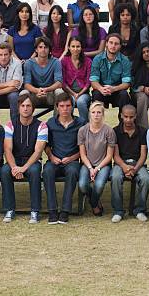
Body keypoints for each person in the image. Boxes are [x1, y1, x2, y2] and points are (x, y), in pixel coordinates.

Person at [2, 95, 48, 223]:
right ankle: (9, 209)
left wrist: (23, 168)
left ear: (33, 108)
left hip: (32, 161)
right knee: (5, 171)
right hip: (15, 160)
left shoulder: (42, 126)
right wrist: (14, 168)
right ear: (18, 108)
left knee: (34, 171)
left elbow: (38, 151)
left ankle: (35, 211)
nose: (25, 108)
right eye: (23, 106)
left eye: (28, 106)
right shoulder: (10, 124)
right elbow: (7, 149)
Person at [43, 93, 86, 224]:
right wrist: (51, 157)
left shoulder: (81, 123)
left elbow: (84, 148)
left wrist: (72, 157)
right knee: (47, 171)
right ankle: (52, 210)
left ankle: (65, 211)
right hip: (54, 160)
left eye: (68, 106)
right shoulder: (50, 123)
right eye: (62, 106)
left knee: (73, 172)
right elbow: (45, 145)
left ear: (73, 107)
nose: (65, 109)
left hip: (72, 161)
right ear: (57, 107)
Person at [110, 105, 149, 222]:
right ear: (121, 116)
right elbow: (115, 156)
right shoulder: (115, 131)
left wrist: (134, 169)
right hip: (120, 163)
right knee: (115, 177)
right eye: (126, 116)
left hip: (138, 163)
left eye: (131, 117)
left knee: (145, 179)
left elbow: (143, 155)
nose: (128, 120)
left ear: (135, 116)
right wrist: (125, 167)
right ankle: (118, 211)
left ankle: (139, 210)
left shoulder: (142, 131)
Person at [78, 101, 115, 216]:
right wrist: (90, 168)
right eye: (93, 112)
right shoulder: (82, 130)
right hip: (87, 164)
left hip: (103, 164)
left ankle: (93, 203)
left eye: (99, 112)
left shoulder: (109, 131)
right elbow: (82, 154)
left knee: (99, 185)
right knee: (83, 185)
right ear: (89, 114)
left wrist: (97, 169)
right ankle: (95, 202)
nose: (96, 115)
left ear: (103, 114)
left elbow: (109, 156)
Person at [89, 33, 132, 114]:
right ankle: (98, 123)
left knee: (124, 94)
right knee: (96, 94)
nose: (113, 46)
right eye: (111, 43)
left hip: (117, 90)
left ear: (120, 46)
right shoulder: (97, 59)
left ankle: (122, 123)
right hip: (102, 90)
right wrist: (101, 89)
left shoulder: (125, 60)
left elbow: (126, 83)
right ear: (106, 44)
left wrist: (113, 89)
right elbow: (93, 81)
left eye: (116, 44)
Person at [21, 37, 64, 107]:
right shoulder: (29, 63)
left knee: (60, 92)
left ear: (49, 49)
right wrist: (37, 90)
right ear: (36, 50)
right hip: (35, 94)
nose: (43, 50)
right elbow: (26, 84)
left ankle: (57, 118)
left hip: (50, 93)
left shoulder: (56, 62)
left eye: (46, 47)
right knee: (23, 93)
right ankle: (24, 118)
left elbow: (59, 83)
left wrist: (46, 89)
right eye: (40, 47)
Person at [61, 36, 92, 122]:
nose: (75, 49)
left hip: (83, 93)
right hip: (69, 92)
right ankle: (68, 124)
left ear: (81, 48)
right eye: (73, 46)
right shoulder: (64, 61)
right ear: (69, 48)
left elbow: (89, 82)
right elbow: (63, 82)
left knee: (81, 102)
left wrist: (79, 94)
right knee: (70, 102)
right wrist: (74, 94)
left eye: (78, 46)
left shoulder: (88, 61)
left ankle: (85, 125)